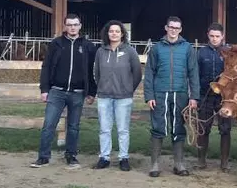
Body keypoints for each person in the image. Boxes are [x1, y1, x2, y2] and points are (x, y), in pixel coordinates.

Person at [31, 13, 96, 169]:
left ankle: (71, 156)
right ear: (65, 26)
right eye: (69, 24)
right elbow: (46, 66)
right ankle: (43, 157)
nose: (72, 27)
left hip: (78, 93)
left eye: (75, 24)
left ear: (80, 26)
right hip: (57, 91)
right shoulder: (56, 44)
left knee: (74, 126)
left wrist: (91, 92)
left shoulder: (88, 46)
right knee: (49, 124)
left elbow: (92, 70)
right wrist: (44, 89)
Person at [143, 16, 200, 178]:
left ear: (180, 30)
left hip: (180, 93)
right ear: (166, 28)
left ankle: (179, 163)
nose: (174, 30)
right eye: (171, 27)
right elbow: (149, 73)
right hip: (160, 93)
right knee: (158, 127)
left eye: (177, 28)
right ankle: (154, 164)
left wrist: (194, 96)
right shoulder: (156, 48)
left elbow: (193, 73)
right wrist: (149, 96)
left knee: (179, 127)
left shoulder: (188, 48)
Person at [93, 20, 142, 171]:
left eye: (117, 31)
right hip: (104, 96)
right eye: (111, 31)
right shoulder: (101, 51)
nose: (114, 34)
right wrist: (101, 87)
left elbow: (137, 73)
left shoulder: (130, 51)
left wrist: (128, 89)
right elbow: (96, 73)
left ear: (122, 34)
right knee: (104, 128)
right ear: (107, 33)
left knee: (123, 129)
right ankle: (104, 157)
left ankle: (124, 158)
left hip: (123, 97)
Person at [195, 22, 233, 172]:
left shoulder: (229, 53)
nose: (214, 39)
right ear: (208, 36)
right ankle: (201, 161)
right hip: (205, 95)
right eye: (212, 36)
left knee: (225, 129)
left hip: (224, 98)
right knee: (203, 128)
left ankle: (224, 163)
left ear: (222, 36)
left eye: (217, 36)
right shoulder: (201, 53)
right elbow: (195, 75)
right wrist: (195, 96)